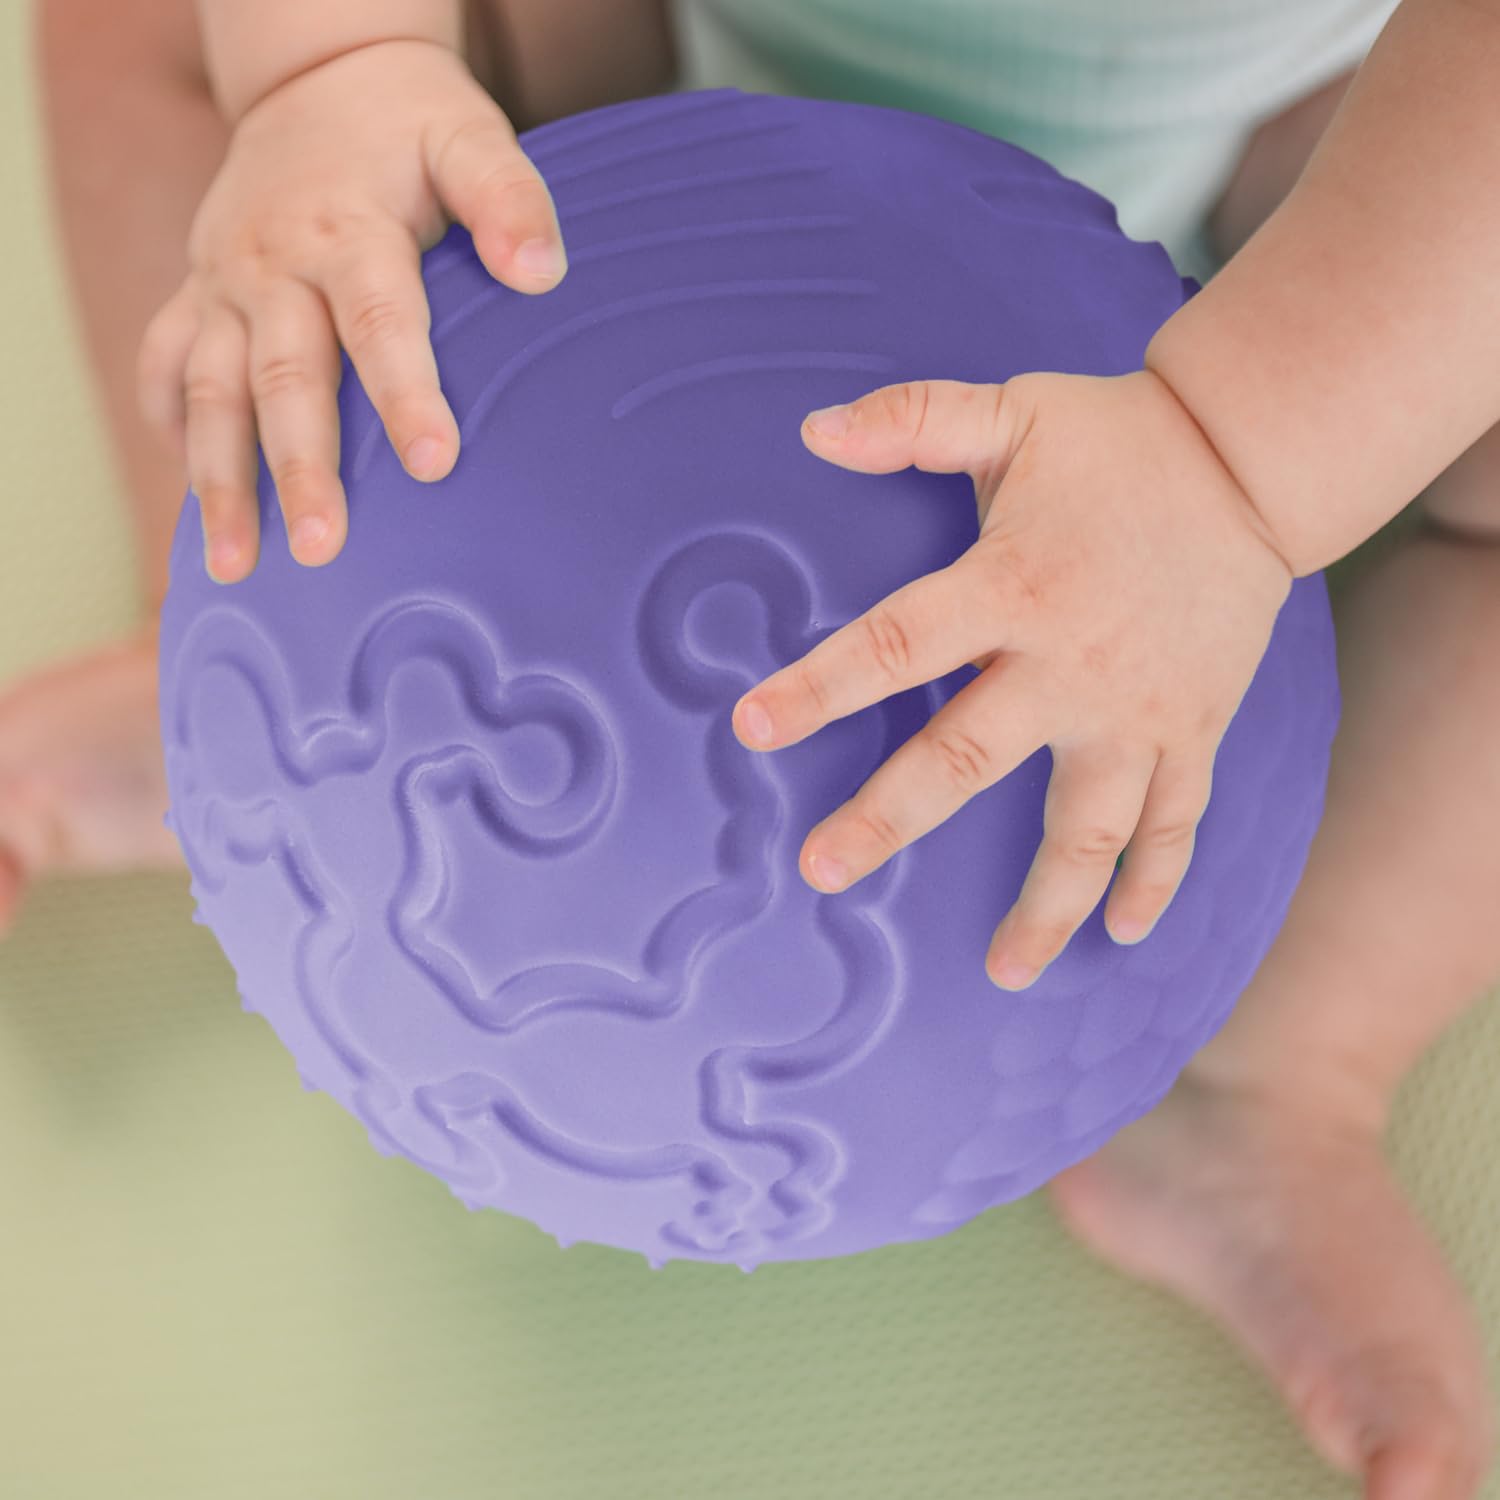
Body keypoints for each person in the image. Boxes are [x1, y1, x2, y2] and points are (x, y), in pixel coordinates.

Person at [17, 1, 1500, 1493]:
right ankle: (252, 641)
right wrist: (328, 70)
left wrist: (1240, 458)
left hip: (1322, 184)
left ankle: (1274, 1076)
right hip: (616, 64)